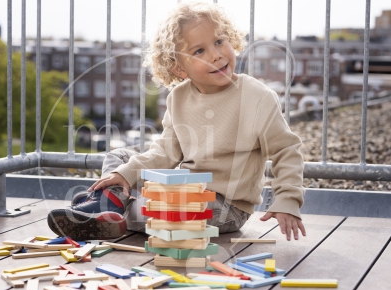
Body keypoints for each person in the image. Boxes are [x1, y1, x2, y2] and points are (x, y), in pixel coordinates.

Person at [47, 1, 306, 241]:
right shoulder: (178, 98)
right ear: (179, 68)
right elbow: (165, 152)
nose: (216, 55)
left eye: (219, 41)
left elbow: (286, 149)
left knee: (160, 211)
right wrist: (125, 175)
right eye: (200, 51)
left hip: (225, 206)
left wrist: (288, 199)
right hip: (181, 188)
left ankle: (109, 209)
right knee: (119, 159)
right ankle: (110, 204)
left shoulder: (256, 97)